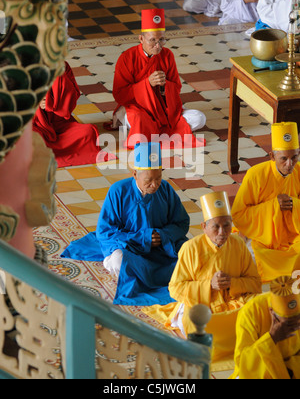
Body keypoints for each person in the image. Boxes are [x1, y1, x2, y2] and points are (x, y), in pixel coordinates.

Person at [61, 142, 190, 306]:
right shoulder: (118, 191)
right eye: (149, 180)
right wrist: (143, 238)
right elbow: (105, 231)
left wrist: (163, 235)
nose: (155, 184)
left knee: (191, 252)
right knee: (118, 260)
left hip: (163, 247)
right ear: (135, 174)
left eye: (158, 178)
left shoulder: (165, 189)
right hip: (131, 248)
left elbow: (182, 222)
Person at [143, 191, 261, 365]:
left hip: (233, 301)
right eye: (216, 226)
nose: (222, 232)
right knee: (194, 320)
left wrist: (233, 283)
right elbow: (175, 289)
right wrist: (209, 286)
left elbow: (255, 283)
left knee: (262, 306)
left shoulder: (238, 244)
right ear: (204, 226)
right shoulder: (190, 248)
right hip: (201, 304)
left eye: (227, 225)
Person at [111, 8, 206, 149]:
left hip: (164, 108)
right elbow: (119, 94)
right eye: (152, 40)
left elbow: (177, 87)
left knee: (199, 118)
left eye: (161, 40)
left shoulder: (167, 55)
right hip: (138, 108)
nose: (158, 45)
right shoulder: (127, 58)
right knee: (138, 119)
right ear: (141, 39)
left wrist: (164, 87)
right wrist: (147, 84)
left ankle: (147, 132)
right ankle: (134, 125)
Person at [231, 122, 300, 284]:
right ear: (272, 156)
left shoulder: (298, 172)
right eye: (284, 158)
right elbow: (239, 215)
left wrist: (294, 204)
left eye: (294, 157)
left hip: (291, 234)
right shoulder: (255, 175)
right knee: (251, 260)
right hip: (260, 236)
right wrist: (273, 206)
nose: (289, 164)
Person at [32, 61, 115, 167]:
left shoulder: (62, 66)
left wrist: (54, 101)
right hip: (34, 123)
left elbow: (70, 102)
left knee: (88, 131)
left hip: (58, 123)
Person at [231, 274, 300, 379]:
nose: (294, 324)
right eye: (287, 322)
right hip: (262, 370)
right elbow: (243, 363)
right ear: (271, 312)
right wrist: (272, 337)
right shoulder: (250, 312)